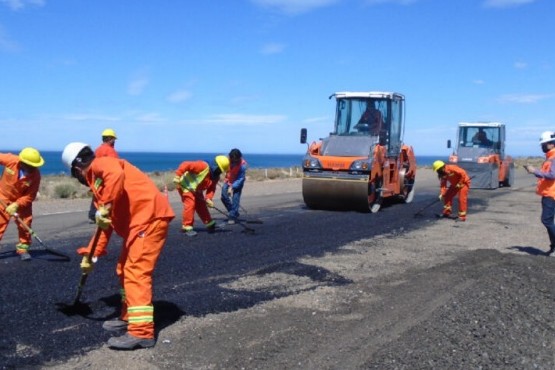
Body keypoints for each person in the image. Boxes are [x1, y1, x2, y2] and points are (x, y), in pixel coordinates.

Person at [61, 142, 175, 350]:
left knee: (135, 272)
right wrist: (91, 255)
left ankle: (142, 333)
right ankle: (129, 316)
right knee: (124, 269)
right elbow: (105, 226)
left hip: (150, 219)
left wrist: (107, 205)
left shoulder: (103, 164)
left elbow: (116, 175)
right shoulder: (100, 190)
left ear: (77, 170)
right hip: (139, 225)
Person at [0, 148, 45, 261]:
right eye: (30, 165)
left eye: (35, 165)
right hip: (3, 198)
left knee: (25, 225)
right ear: (23, 162)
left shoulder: (35, 176)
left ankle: (23, 249)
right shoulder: (11, 160)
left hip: (21, 202)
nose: (33, 168)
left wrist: (16, 205)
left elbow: (30, 196)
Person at [173, 155, 230, 236]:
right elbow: (185, 164)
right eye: (219, 169)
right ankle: (187, 227)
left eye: (221, 171)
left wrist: (209, 199)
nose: (219, 172)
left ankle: (209, 223)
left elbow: (211, 188)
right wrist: (178, 175)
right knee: (190, 204)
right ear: (215, 165)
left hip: (196, 189)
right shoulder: (202, 166)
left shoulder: (215, 177)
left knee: (201, 205)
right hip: (184, 186)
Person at [524, 131, 555, 256]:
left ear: (550, 144)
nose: (542, 146)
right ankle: (553, 247)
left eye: (543, 144)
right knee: (549, 220)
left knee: (546, 220)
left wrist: (535, 171)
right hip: (548, 193)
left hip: (551, 194)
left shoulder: (553, 158)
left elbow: (552, 175)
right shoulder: (550, 157)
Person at [88, 128, 119, 223]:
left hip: (97, 178)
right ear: (110, 139)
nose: (114, 142)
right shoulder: (110, 151)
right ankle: (105, 214)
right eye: (114, 139)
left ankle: (93, 214)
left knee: (97, 195)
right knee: (109, 196)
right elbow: (115, 166)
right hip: (107, 178)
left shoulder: (97, 150)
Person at [221, 149, 247, 224]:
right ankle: (234, 212)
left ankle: (232, 216)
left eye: (236, 160)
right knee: (223, 196)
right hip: (228, 180)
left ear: (239, 158)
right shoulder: (227, 159)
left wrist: (232, 187)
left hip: (238, 182)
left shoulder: (243, 165)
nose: (234, 161)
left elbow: (240, 179)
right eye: (233, 159)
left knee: (235, 198)